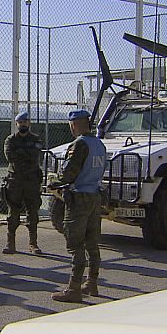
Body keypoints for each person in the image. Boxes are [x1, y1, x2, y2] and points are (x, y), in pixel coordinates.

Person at [48, 109, 107, 303]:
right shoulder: (99, 144)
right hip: (94, 197)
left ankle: (74, 288)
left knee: (75, 244)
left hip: (79, 198)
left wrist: (53, 181)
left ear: (74, 124)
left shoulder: (79, 144)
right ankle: (92, 282)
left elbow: (68, 173)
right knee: (92, 242)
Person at [2, 111, 44, 254]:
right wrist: (25, 153)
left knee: (32, 213)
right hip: (15, 181)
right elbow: (10, 157)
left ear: (29, 123)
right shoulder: (10, 140)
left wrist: (21, 152)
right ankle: (10, 244)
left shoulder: (36, 139)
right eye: (20, 122)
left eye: (25, 122)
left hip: (31, 181)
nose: (23, 124)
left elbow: (35, 156)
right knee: (13, 213)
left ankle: (33, 244)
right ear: (17, 124)